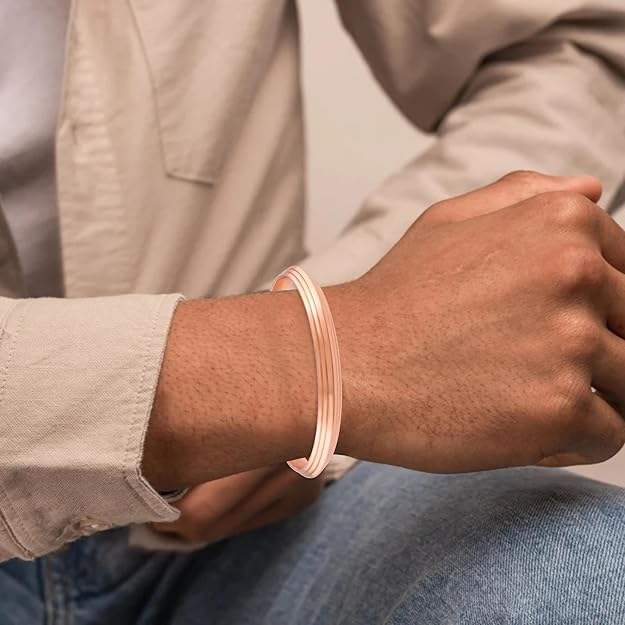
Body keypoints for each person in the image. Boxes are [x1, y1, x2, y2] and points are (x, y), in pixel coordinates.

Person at [2, 1, 625, 623]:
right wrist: (287, 368)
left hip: (245, 513)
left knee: (578, 569)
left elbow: (573, 45)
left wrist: (356, 327)